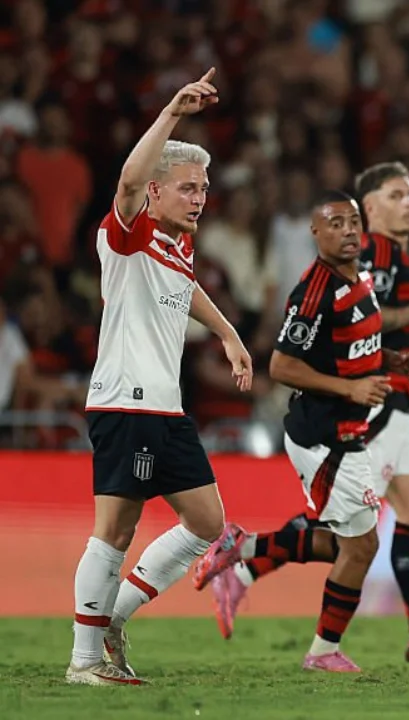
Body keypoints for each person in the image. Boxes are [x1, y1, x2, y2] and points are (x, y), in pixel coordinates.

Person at [197, 162, 409, 663]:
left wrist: (392, 359)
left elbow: (357, 343)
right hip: (324, 434)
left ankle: (246, 553)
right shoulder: (314, 291)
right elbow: (282, 364)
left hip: (350, 428)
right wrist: (352, 387)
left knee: (354, 542)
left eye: (352, 223)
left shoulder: (359, 280)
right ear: (315, 233)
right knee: (358, 546)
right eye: (334, 224)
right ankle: (322, 647)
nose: (348, 232)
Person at [68, 68, 255, 686]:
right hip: (127, 403)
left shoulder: (177, 247)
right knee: (114, 532)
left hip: (165, 410)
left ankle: (115, 617)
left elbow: (188, 288)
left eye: (203, 187)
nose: (199, 197)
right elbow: (125, 179)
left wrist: (228, 333)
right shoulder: (127, 235)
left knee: (207, 523)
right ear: (153, 193)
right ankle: (84, 662)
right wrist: (173, 111)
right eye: (185, 188)